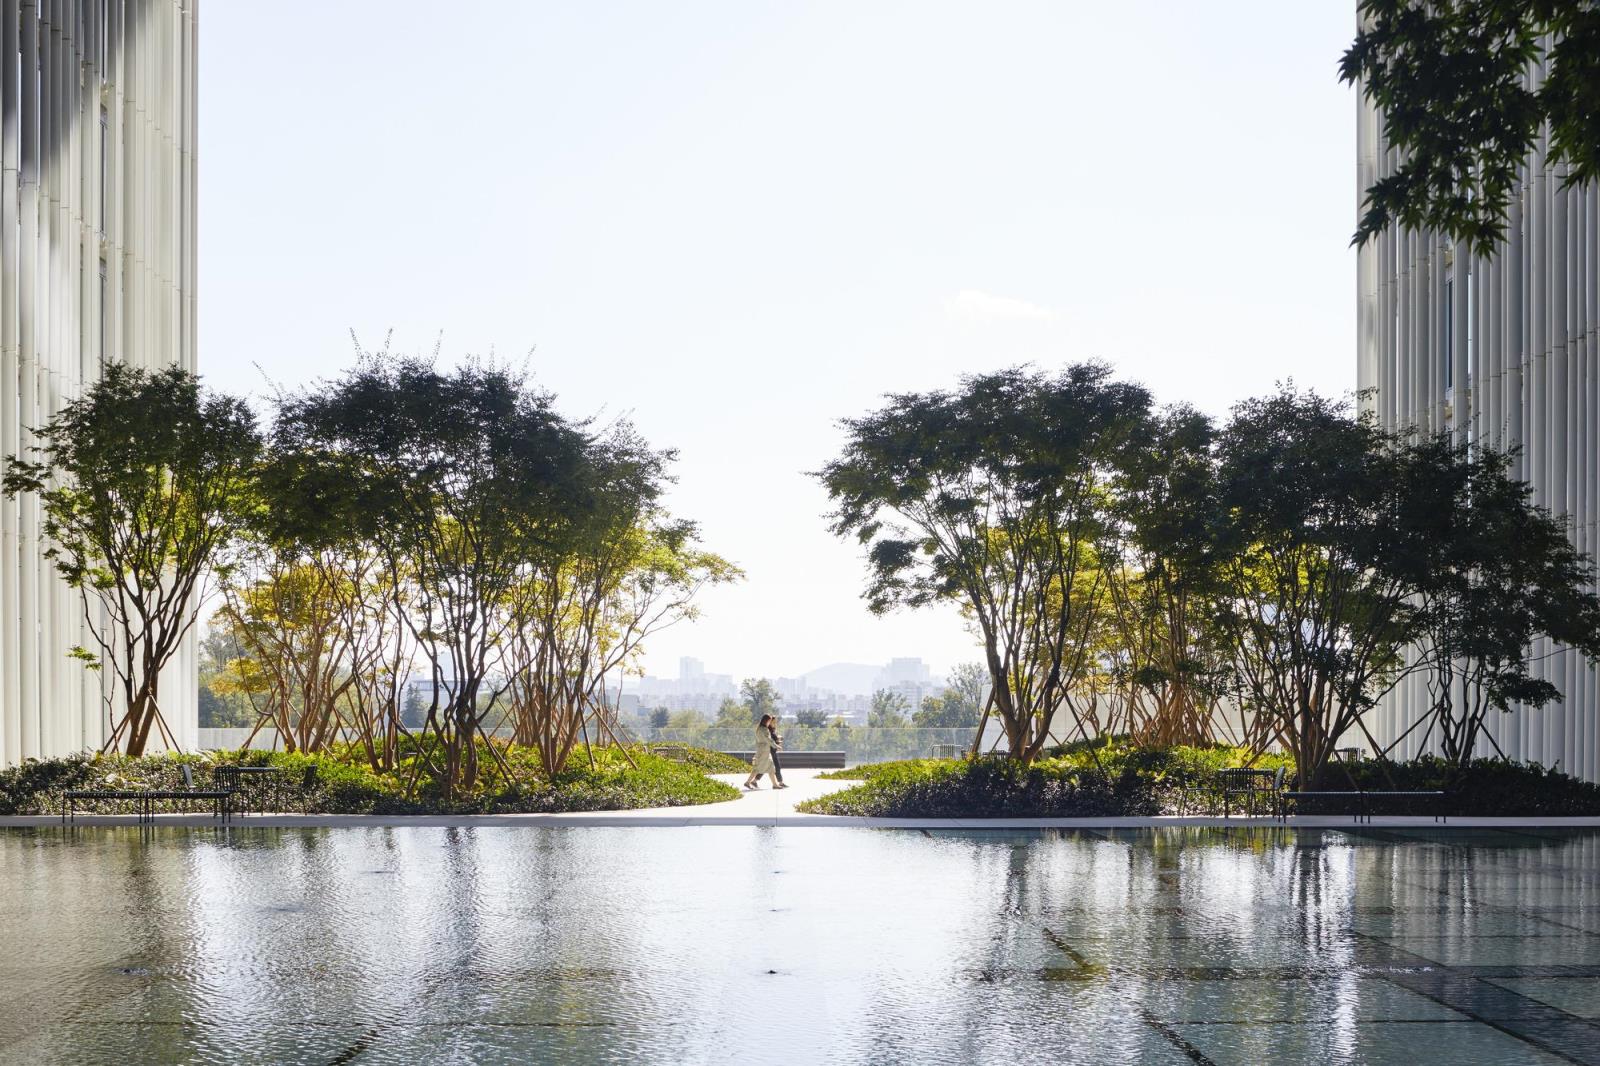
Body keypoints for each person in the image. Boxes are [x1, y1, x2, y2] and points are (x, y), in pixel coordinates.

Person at [743, 714, 787, 790]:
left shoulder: (759, 728)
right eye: (769, 720)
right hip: (764, 752)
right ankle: (748, 782)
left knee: (771, 768)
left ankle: (775, 785)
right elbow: (768, 739)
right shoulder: (764, 729)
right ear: (766, 720)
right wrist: (776, 746)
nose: (770, 722)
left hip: (763, 751)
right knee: (757, 769)